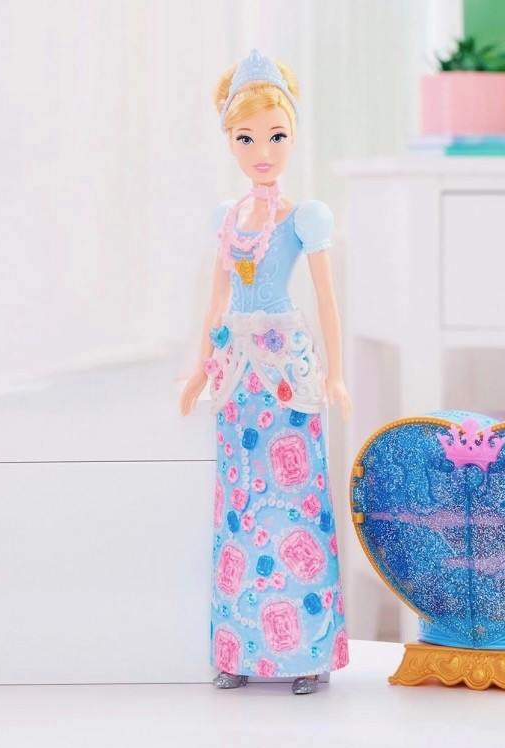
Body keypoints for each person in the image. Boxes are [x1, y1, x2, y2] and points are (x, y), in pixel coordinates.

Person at [180, 50, 350, 695]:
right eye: (246, 138)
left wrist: (335, 373)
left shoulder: (304, 217)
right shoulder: (227, 218)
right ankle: (240, 648)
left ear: (293, 137)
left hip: (286, 370)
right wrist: (198, 370)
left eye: (276, 136)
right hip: (235, 372)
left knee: (298, 501)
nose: (262, 151)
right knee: (240, 506)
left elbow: (327, 301)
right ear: (229, 141)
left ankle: (305, 653)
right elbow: (215, 300)